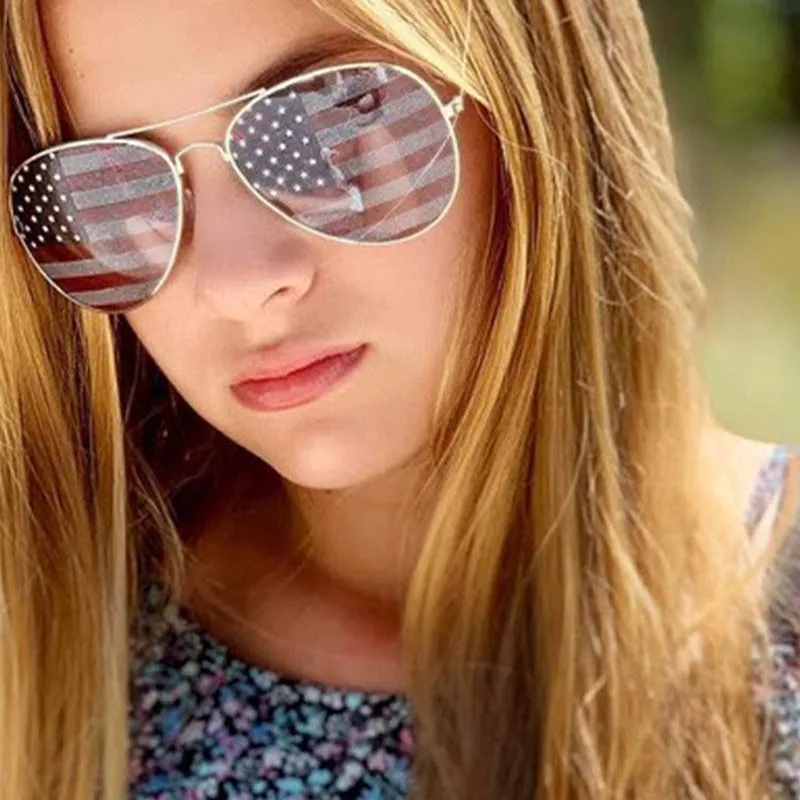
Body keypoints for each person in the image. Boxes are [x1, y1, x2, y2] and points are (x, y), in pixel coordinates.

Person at [2, 0, 799, 797]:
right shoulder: (55, 660)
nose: (237, 283)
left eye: (326, 125)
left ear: (533, 104)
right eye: (107, 187)